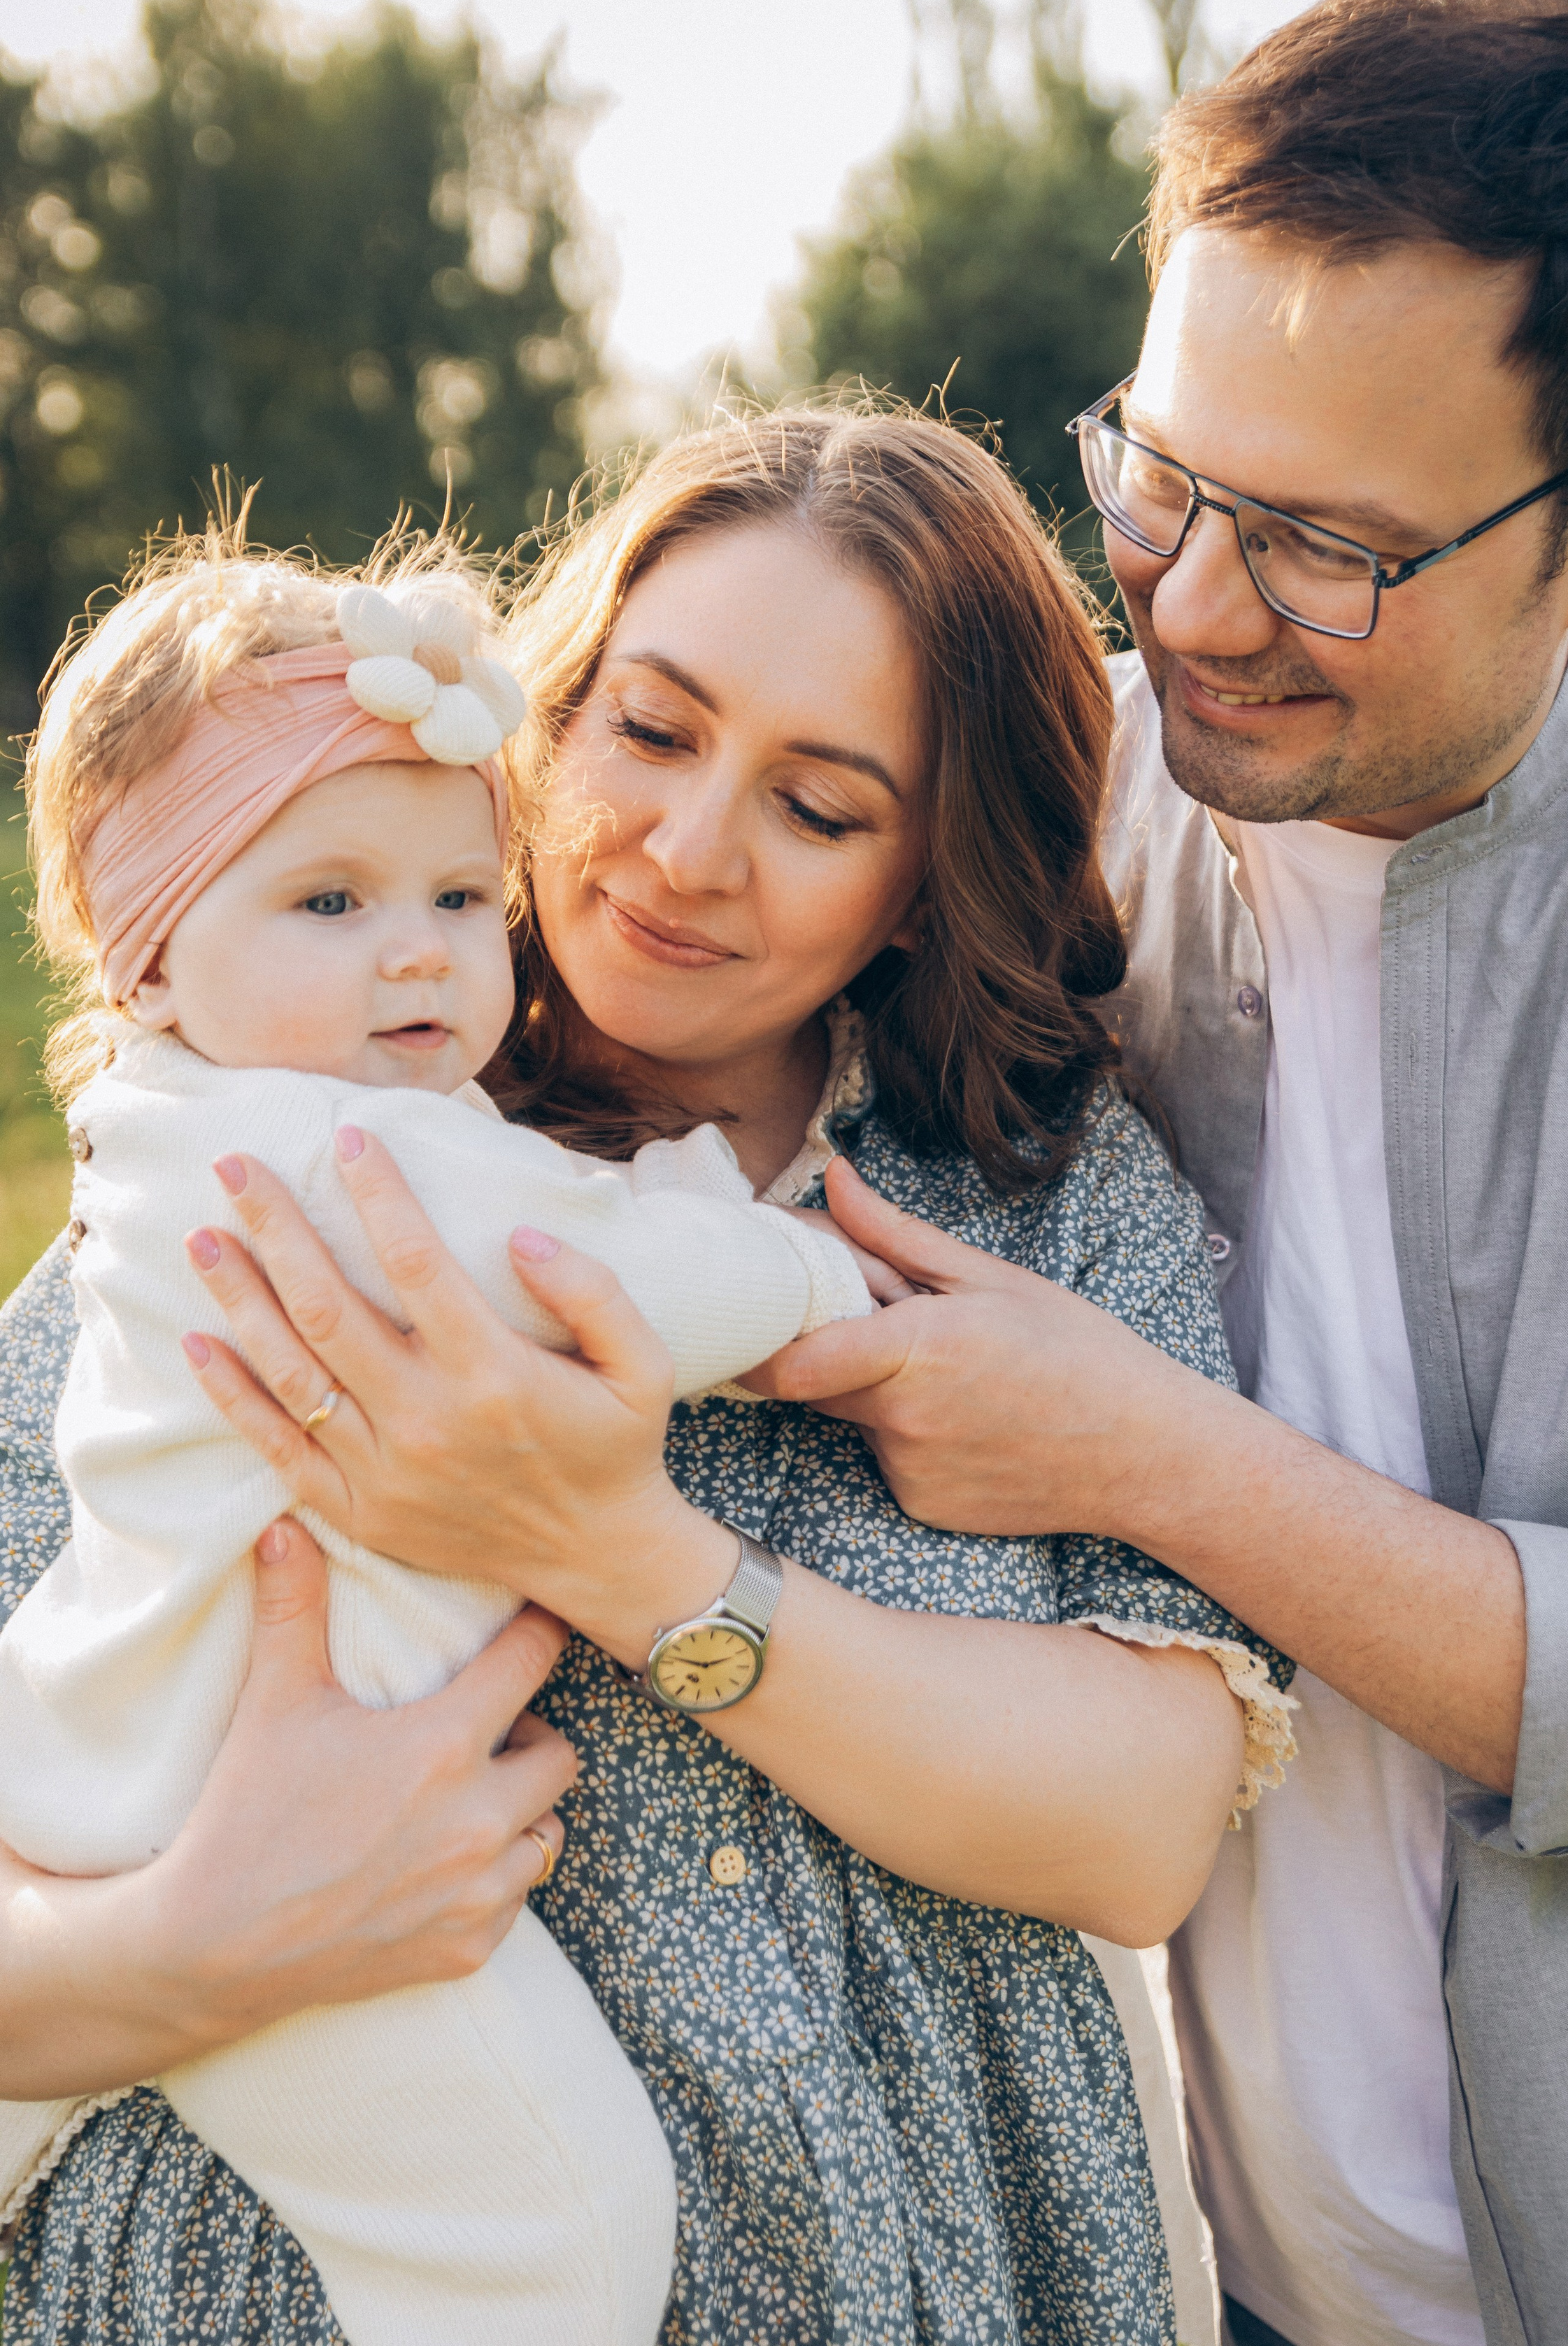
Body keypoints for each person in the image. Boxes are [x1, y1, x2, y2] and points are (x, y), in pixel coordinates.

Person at [0, 411, 1293, 2346]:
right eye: (653, 731)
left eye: (822, 808)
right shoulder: (278, 1132)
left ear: (925, 878)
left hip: (909, 2275)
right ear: (546, 713)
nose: (687, 857)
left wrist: (622, 1553)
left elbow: (1137, 1824)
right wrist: (193, 1942)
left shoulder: (1036, 1192)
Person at [741, 0, 1568, 2346]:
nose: (1192, 611)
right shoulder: (1007, 813)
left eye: (1330, 548)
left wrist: (1152, 1460)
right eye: (1162, 477)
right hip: (1190, 2286)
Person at [1, 543, 888, 2346]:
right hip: (251, 1808)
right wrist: (813, 1268)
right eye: (326, 902)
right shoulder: (331, 1158)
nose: (415, 949)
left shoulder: (164, 1138)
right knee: (546, 2234)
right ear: (153, 958)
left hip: (110, 1763)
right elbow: (623, 1289)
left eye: (463, 898)